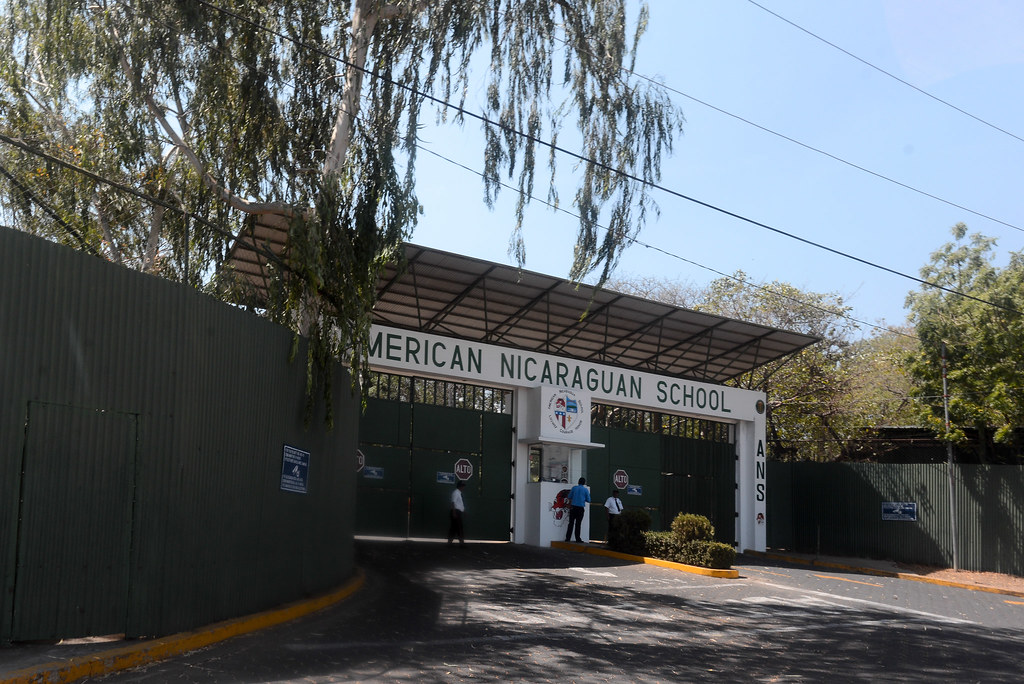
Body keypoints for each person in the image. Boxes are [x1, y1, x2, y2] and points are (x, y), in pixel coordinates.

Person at [564, 477, 590, 543]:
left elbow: (569, 496)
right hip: (580, 508)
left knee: (571, 523)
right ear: (584, 483)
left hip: (573, 508)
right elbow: (589, 500)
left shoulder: (574, 488)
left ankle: (567, 538)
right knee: (578, 524)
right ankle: (578, 538)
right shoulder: (585, 490)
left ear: (578, 482)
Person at [448, 480, 466, 546]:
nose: (463, 487)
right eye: (463, 486)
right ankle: (462, 543)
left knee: (454, 528)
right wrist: (454, 512)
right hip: (456, 512)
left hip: (457, 512)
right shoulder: (456, 493)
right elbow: (453, 502)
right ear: (460, 486)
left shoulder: (458, 493)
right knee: (459, 527)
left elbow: (458, 504)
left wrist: (463, 511)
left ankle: (449, 543)